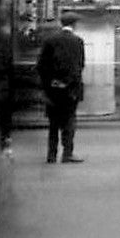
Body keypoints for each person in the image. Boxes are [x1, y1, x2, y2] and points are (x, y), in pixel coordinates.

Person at [36, 11, 85, 164]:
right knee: (69, 121)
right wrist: (70, 83)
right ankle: (67, 153)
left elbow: (41, 65)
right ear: (74, 25)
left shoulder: (50, 41)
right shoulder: (78, 41)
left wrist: (47, 85)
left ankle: (51, 154)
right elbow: (80, 65)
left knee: (53, 123)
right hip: (70, 89)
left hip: (52, 88)